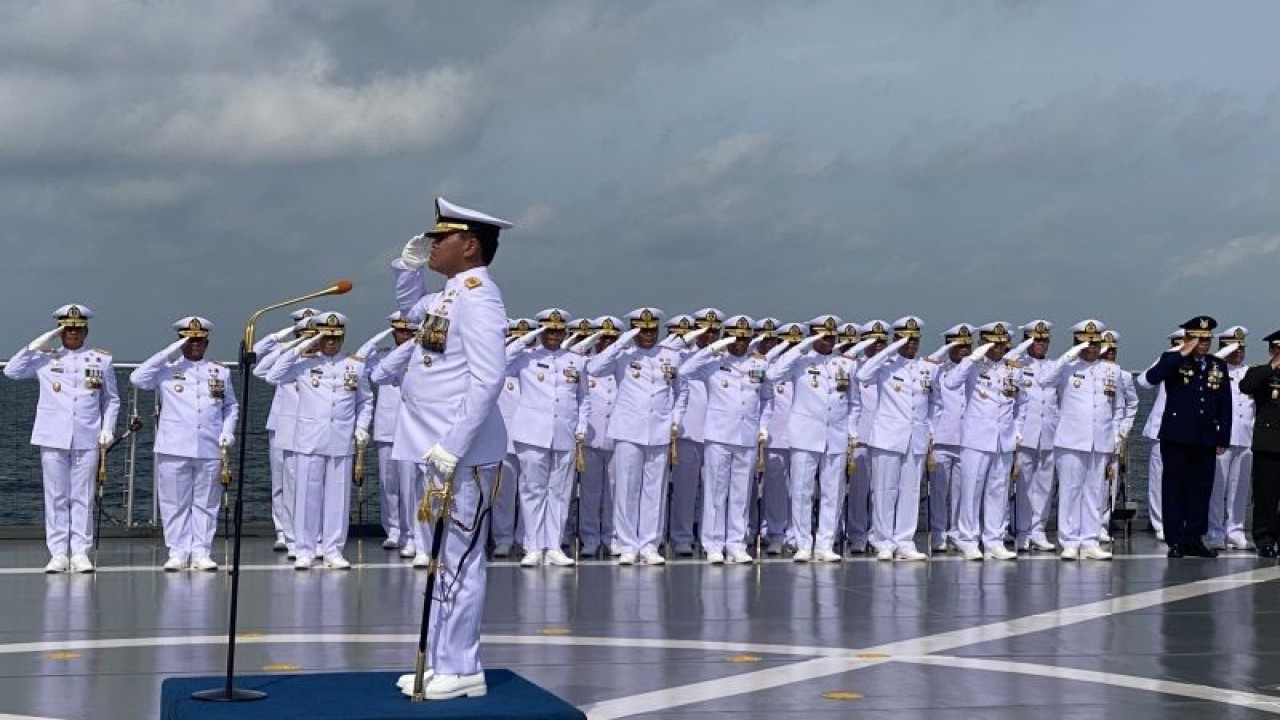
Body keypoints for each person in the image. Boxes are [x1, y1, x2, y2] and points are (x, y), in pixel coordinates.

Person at [380, 197, 512, 700]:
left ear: (470, 245)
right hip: (434, 448)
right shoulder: (451, 295)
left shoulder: (478, 298)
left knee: (460, 560)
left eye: (441, 239)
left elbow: (488, 378)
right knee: (440, 560)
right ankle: (439, 661)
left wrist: (454, 447)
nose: (432, 245)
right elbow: (411, 311)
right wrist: (407, 269)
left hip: (460, 455)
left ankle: (462, 666)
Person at [5, 304, 120, 573]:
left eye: (78, 329)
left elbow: (111, 399)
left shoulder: (101, 360)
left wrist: (108, 428)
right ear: (60, 331)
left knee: (83, 497)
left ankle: (80, 552)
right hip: (53, 435)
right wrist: (38, 343)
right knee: (56, 496)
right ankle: (58, 553)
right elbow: (11, 371)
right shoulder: (44, 358)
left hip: (87, 436)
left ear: (86, 332)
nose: (73, 333)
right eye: (67, 329)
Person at [265, 311, 373, 571]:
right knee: (306, 497)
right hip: (309, 440)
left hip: (340, 441)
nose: (331, 342)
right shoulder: (302, 364)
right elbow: (271, 375)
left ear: (342, 338)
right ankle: (304, 549)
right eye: (326, 337)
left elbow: (365, 401)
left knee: (338, 498)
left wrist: (361, 427)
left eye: (335, 338)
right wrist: (302, 345)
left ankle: (333, 550)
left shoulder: (355, 365)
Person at [130, 317, 239, 571]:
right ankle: (178, 551)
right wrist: (170, 352)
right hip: (174, 446)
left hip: (209, 446)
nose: (194, 345)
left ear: (207, 343)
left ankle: (201, 551)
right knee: (174, 503)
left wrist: (228, 432)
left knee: (206, 503)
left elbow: (231, 406)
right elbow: (137, 378)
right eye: (189, 340)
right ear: (180, 342)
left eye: (199, 341)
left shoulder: (220, 371)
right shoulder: (165, 369)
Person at [586, 307, 689, 566]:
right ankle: (627, 545)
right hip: (628, 431)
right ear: (634, 331)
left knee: (655, 491)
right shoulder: (622, 355)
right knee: (626, 490)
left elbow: (682, 391)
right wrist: (621, 341)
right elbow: (594, 368)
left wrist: (675, 420)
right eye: (642, 331)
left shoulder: (671, 356)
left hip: (659, 431)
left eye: (652, 330)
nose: (648, 335)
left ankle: (650, 544)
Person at [679, 315, 773, 563]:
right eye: (735, 338)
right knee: (716, 492)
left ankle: (736, 544)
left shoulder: (759, 365)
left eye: (744, 339)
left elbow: (767, 398)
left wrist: (763, 426)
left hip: (746, 436)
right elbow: (684, 371)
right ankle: (713, 544)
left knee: (741, 494)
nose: (740, 344)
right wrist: (714, 347)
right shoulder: (712, 363)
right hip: (719, 436)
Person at [766, 315, 857, 563]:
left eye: (831, 337)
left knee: (833, 493)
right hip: (805, 436)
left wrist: (850, 431)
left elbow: (854, 402)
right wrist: (801, 347)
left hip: (835, 436)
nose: (828, 341)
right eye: (823, 337)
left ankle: (825, 544)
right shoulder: (800, 361)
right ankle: (803, 544)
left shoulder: (845, 365)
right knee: (801, 492)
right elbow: (772, 374)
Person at [504, 308, 590, 567]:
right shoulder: (524, 358)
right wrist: (523, 339)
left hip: (564, 433)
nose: (553, 336)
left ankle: (553, 545)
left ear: (564, 332)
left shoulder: (576, 360)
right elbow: (500, 363)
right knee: (532, 490)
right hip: (532, 433)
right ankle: (533, 546)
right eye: (548, 331)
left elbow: (583, 398)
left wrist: (581, 428)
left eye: (557, 331)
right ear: (541, 332)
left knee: (560, 492)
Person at [1143, 315, 1232, 559]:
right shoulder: (1173, 360)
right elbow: (1151, 379)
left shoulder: (1217, 365)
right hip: (1177, 436)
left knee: (1200, 489)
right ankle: (1176, 540)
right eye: (1199, 339)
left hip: (1205, 437)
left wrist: (1222, 437)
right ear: (1188, 339)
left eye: (1207, 340)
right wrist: (1181, 352)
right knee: (1174, 488)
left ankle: (1194, 537)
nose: (1204, 344)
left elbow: (1225, 403)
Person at [944, 322, 1026, 561]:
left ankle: (994, 541)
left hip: (1004, 440)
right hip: (976, 439)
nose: (998, 348)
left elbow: (1023, 402)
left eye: (1002, 344)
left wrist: (1017, 430)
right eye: (993, 344)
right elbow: (950, 382)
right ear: (983, 343)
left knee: (998, 492)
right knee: (971, 491)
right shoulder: (972, 366)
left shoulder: (1013, 369)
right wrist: (972, 358)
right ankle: (968, 539)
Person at [856, 316, 932, 562]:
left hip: (915, 438)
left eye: (915, 340)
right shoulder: (885, 365)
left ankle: (905, 541)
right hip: (888, 437)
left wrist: (929, 429)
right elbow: (863, 375)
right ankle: (883, 541)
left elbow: (933, 402)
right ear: (896, 340)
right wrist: (890, 349)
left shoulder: (924, 367)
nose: (911, 345)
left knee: (910, 491)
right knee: (884, 491)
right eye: (906, 340)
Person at [252, 307, 319, 556]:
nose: (307, 333)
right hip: (282, 424)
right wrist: (288, 339)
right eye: (302, 328)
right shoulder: (285, 353)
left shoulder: (322, 358)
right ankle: (283, 531)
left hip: (311, 425)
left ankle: (310, 533)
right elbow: (256, 358)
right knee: (281, 482)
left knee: (307, 482)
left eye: (311, 329)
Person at [355, 312, 420, 559]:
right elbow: (360, 358)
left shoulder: (422, 355)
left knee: (410, 484)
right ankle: (392, 529)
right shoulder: (382, 356)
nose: (404, 334)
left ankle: (411, 534)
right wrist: (380, 336)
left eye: (408, 330)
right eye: (399, 330)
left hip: (412, 428)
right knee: (388, 482)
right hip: (388, 426)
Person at [1010, 320, 1059, 552]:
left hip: (1049, 433)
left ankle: (1038, 530)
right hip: (1025, 434)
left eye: (1044, 340)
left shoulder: (1053, 366)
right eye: (1035, 339)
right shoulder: (1017, 364)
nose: (1040, 343)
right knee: (1023, 486)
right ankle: (1021, 530)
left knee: (1044, 486)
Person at [925, 323, 973, 552]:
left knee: (961, 492)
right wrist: (930, 432)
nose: (963, 349)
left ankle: (956, 532)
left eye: (967, 345)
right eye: (958, 345)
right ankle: (938, 533)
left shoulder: (975, 370)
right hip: (942, 438)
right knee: (939, 491)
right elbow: (928, 401)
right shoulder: (938, 370)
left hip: (967, 439)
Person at [1208, 326, 1254, 551]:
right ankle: (1215, 531)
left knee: (1240, 488)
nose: (1239, 353)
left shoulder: (1251, 373)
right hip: (1222, 439)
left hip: (1246, 437)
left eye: (1241, 348)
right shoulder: (1215, 371)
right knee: (1217, 488)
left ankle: (1236, 530)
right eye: (1234, 349)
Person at [1136, 329, 1185, 542]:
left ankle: (1180, 521)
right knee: (1159, 479)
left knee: (1184, 479)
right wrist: (1171, 356)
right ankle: (1160, 522)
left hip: (1186, 431)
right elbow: (1144, 380)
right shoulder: (1165, 361)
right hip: (1161, 429)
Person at [1238, 330, 1280, 557]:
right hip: (1269, 443)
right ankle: (1265, 539)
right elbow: (1246, 386)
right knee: (1266, 495)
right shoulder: (1260, 372)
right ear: (1272, 350)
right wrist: (1272, 366)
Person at [1097, 330, 1139, 542]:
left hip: (1114, 436)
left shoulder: (1124, 376)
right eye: (1105, 351)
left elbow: (1132, 404)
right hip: (1092, 435)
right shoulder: (1090, 373)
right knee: (1090, 483)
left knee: (1109, 483)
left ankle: (1103, 524)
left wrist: (1123, 431)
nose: (1109, 355)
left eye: (1112, 351)